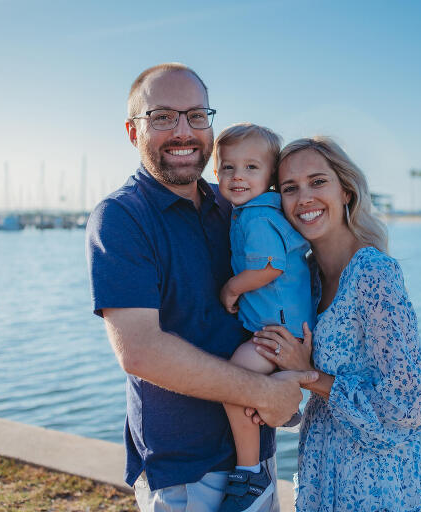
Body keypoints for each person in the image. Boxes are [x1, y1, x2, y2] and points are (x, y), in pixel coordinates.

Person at [85, 63, 317, 512]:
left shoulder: (231, 203)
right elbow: (140, 351)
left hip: (256, 455)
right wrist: (268, 394)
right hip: (186, 473)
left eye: (195, 115)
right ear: (134, 132)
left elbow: (287, 278)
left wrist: (293, 373)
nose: (183, 131)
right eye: (162, 117)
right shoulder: (121, 218)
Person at [250, 137, 421, 511]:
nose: (304, 198)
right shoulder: (308, 281)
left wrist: (308, 374)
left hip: (376, 485)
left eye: (318, 182)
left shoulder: (374, 273)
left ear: (346, 191)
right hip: (322, 473)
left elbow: (410, 408)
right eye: (290, 188)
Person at [212, 123, 315, 512]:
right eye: (227, 167)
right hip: (282, 324)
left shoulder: (256, 217)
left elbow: (269, 268)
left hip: (280, 330)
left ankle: (251, 473)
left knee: (235, 377)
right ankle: (286, 409)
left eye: (252, 168)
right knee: (245, 381)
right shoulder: (258, 210)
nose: (238, 176)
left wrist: (232, 288)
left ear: (271, 177)